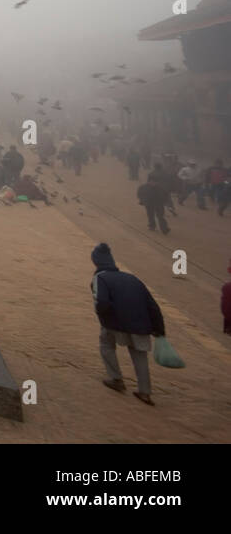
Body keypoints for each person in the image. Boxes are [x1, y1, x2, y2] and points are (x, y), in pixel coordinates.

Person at [91, 243, 165, 406]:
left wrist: (104, 318)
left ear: (96, 262)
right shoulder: (132, 278)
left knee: (106, 344)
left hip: (115, 323)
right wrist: (159, 328)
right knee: (139, 355)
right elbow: (152, 304)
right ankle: (145, 392)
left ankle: (116, 378)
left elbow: (102, 303)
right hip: (141, 323)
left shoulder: (100, 278)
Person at [136, 171, 170, 235]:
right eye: (153, 182)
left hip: (159, 204)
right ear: (149, 181)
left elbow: (166, 195)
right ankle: (152, 226)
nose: (154, 183)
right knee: (150, 215)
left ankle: (164, 229)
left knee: (160, 216)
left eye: (156, 182)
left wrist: (166, 202)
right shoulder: (143, 187)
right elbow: (139, 195)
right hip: (149, 204)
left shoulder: (160, 188)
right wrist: (143, 200)